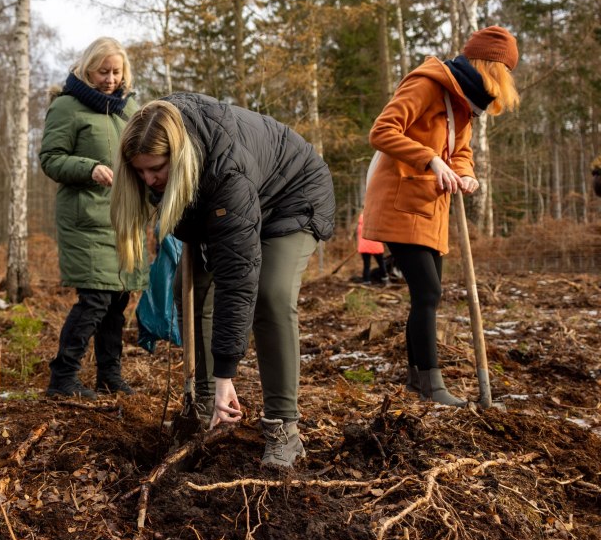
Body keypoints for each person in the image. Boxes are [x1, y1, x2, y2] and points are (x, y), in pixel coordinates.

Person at [112, 97, 334, 468]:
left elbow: (237, 277)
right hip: (234, 197)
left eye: (155, 170)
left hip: (293, 196)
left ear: (178, 157)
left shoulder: (225, 171)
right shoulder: (161, 136)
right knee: (192, 293)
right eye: (139, 172)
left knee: (270, 295)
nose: (148, 180)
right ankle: (199, 409)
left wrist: (225, 375)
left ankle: (283, 427)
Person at [362, 26, 520, 406]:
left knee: (427, 295)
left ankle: (418, 381)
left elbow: (461, 150)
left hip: (431, 207)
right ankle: (432, 385)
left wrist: (465, 173)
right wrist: (430, 158)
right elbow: (382, 131)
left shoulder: (464, 103)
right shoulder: (427, 84)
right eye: (504, 74)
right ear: (489, 67)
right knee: (428, 292)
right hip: (400, 202)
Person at [37, 37, 147, 399]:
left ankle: (109, 376)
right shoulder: (67, 107)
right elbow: (50, 158)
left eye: (117, 71)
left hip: (124, 220)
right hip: (86, 219)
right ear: (88, 69)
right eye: (103, 71)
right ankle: (63, 378)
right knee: (96, 299)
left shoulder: (130, 109)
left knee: (118, 300)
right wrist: (89, 168)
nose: (110, 79)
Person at [357, 213, 386, 284]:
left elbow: (359, 237)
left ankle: (366, 280)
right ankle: (385, 278)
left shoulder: (359, 226)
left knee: (367, 265)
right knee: (381, 263)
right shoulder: (376, 224)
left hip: (364, 248)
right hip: (376, 246)